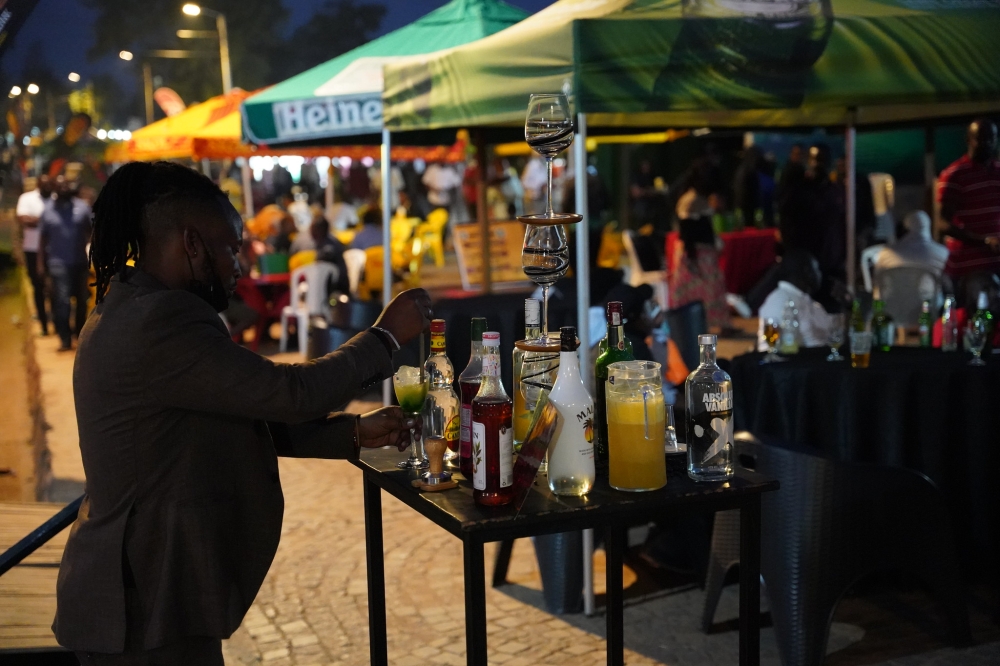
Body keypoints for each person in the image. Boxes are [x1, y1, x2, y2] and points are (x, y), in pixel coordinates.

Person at [55, 161, 432, 664]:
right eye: (231, 247)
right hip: (141, 601)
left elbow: (232, 414)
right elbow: (287, 392)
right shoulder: (161, 322)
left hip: (142, 596)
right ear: (192, 244)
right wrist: (383, 338)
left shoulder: (131, 306)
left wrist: (354, 433)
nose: (241, 265)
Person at [937, 118, 1000, 282]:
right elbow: (943, 223)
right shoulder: (954, 175)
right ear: (968, 140)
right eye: (981, 138)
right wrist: (984, 241)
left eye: (992, 138)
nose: (988, 143)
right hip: (968, 266)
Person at [38, 175, 92, 351]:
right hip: (58, 263)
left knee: (82, 301)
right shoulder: (47, 211)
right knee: (62, 301)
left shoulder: (82, 208)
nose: (63, 189)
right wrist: (40, 263)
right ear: (55, 189)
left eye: (65, 186)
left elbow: (92, 232)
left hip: (80, 263)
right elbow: (42, 239)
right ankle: (65, 339)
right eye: (59, 186)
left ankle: (80, 335)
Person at [669, 189, 728, 330]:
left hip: (688, 254)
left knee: (684, 290)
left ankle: (682, 322)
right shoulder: (698, 202)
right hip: (700, 254)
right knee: (712, 289)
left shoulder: (688, 200)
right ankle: (720, 323)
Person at [757, 250, 835, 351]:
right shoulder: (783, 301)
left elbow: (832, 332)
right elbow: (771, 349)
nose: (820, 275)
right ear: (808, 272)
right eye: (817, 269)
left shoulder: (805, 300)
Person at [17, 175, 53, 335]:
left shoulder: (56, 198)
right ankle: (43, 323)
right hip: (32, 249)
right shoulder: (27, 198)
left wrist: (37, 220)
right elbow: (23, 219)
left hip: (53, 250)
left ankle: (56, 320)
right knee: (37, 286)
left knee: (54, 287)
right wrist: (47, 220)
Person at [874, 210, 949, 278]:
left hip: (896, 293)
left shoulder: (886, 253)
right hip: (928, 293)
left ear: (905, 228)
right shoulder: (943, 253)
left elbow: (878, 280)